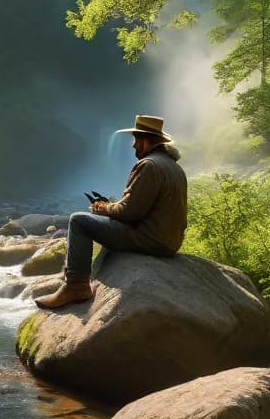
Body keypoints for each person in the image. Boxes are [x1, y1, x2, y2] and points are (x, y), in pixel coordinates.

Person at [35, 115, 187, 310]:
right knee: (95, 218)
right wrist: (111, 206)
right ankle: (76, 284)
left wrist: (103, 208)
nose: (133, 146)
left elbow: (130, 212)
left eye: (136, 140)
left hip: (150, 240)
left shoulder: (149, 165)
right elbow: (145, 206)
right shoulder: (173, 167)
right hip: (169, 242)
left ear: (146, 140)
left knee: (79, 221)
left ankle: (76, 286)